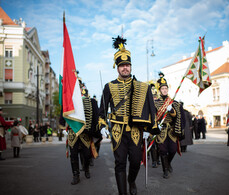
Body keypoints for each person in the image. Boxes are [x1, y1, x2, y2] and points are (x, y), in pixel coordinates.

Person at [98, 36, 159, 195]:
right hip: (118, 129)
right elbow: (102, 110)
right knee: (119, 163)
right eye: (121, 65)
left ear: (131, 67)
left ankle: (131, 180)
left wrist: (149, 128)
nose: (125, 68)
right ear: (117, 67)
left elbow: (151, 108)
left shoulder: (142, 87)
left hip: (135, 129)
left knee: (135, 161)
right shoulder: (109, 86)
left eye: (127, 65)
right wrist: (103, 126)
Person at [61, 77, 99, 185]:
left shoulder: (88, 100)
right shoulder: (68, 100)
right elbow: (63, 113)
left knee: (87, 155)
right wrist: (64, 127)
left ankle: (86, 169)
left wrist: (95, 130)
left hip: (85, 131)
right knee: (73, 155)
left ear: (81, 87)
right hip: (73, 131)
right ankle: (76, 175)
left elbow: (93, 116)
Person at [154, 81, 184, 179]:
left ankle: (168, 163)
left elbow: (176, 116)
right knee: (163, 151)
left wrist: (171, 110)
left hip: (171, 130)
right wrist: (156, 125)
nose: (164, 90)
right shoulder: (156, 103)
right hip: (161, 130)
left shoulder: (172, 102)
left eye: (166, 89)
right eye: (163, 89)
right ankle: (165, 170)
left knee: (173, 150)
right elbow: (153, 116)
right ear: (159, 90)